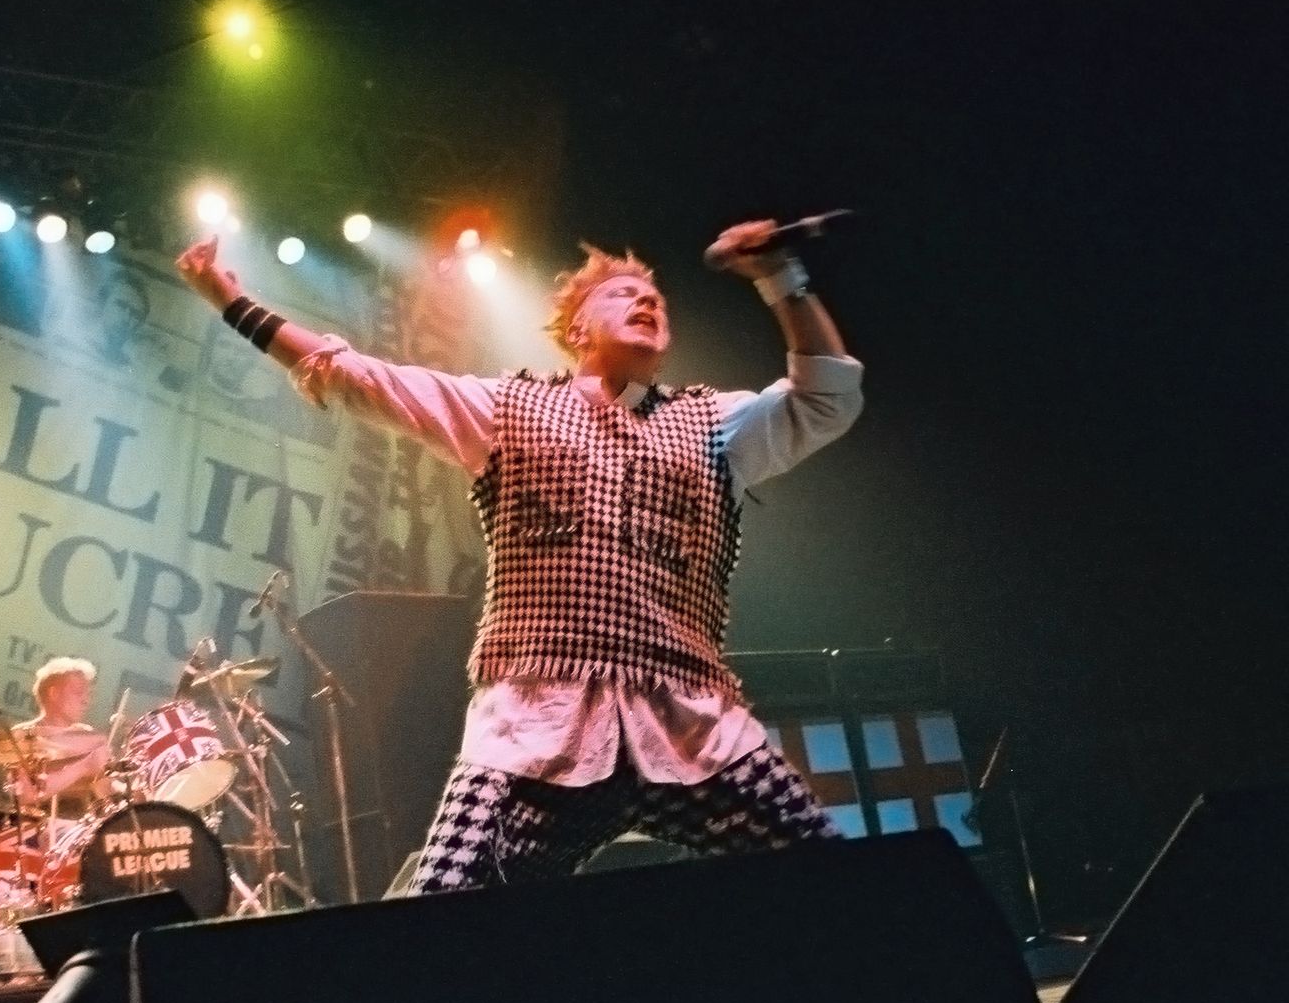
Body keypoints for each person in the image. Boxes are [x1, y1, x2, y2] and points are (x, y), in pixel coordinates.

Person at [175, 219, 864, 893]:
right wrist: (231, 301)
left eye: (655, 299)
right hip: (541, 725)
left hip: (691, 727)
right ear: (577, 330)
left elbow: (825, 397)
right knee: (446, 909)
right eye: (623, 294)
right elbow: (362, 378)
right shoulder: (510, 410)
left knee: (837, 881)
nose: (647, 302)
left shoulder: (714, 424)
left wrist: (781, 276)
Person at [10, 657, 112, 820]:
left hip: (81, 828)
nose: (86, 700)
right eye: (78, 692)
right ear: (54, 694)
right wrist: (83, 766)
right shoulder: (22, 735)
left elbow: (106, 791)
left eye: (88, 694)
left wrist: (132, 791)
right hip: (37, 825)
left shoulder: (88, 735)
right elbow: (25, 796)